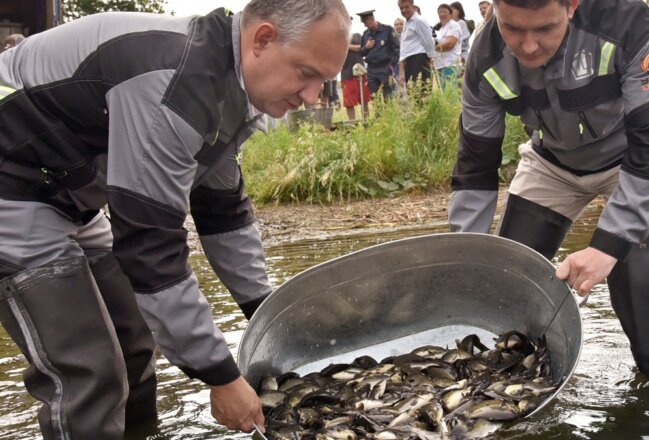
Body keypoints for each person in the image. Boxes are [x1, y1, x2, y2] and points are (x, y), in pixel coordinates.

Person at [0, 0, 350, 438]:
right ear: (262, 39)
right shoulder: (175, 80)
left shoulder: (227, 87)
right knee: (89, 370)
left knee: (132, 347)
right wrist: (220, 376)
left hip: (68, 194)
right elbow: (150, 250)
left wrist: (265, 311)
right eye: (306, 73)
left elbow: (223, 213)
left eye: (323, 81)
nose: (312, 97)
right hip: (12, 185)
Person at [449, 0, 649, 379]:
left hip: (634, 163)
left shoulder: (626, 19)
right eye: (512, 28)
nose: (527, 46)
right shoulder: (483, 55)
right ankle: (514, 379)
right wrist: (466, 251)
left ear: (572, 5)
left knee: (640, 280)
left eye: (544, 29)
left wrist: (609, 246)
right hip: (551, 164)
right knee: (512, 278)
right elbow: (476, 163)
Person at [358, 10, 400, 99]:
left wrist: (392, 65)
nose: (364, 25)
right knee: (375, 98)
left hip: (385, 67)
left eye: (365, 22)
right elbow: (361, 52)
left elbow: (396, 48)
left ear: (371, 18)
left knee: (388, 97)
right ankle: (379, 113)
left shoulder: (387, 30)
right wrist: (366, 47)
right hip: (371, 70)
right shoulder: (365, 34)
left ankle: (390, 113)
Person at [397, 0, 437, 89]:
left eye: (406, 7)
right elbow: (404, 48)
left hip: (419, 60)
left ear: (413, 6)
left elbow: (428, 40)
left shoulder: (418, 21)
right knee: (413, 93)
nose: (404, 10)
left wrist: (431, 58)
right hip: (409, 62)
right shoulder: (407, 23)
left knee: (421, 92)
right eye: (401, 8)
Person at [342, 33, 372, 120]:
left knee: (365, 101)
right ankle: (353, 125)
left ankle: (366, 121)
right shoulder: (341, 37)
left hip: (361, 73)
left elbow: (363, 47)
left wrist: (347, 46)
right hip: (347, 75)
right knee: (349, 103)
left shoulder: (357, 36)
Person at [433, 4, 463, 89]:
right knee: (444, 95)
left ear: (451, 14)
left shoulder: (453, 25)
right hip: (440, 66)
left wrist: (433, 48)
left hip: (450, 65)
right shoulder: (441, 30)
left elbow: (450, 44)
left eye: (445, 12)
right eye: (440, 12)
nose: (442, 14)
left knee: (450, 94)